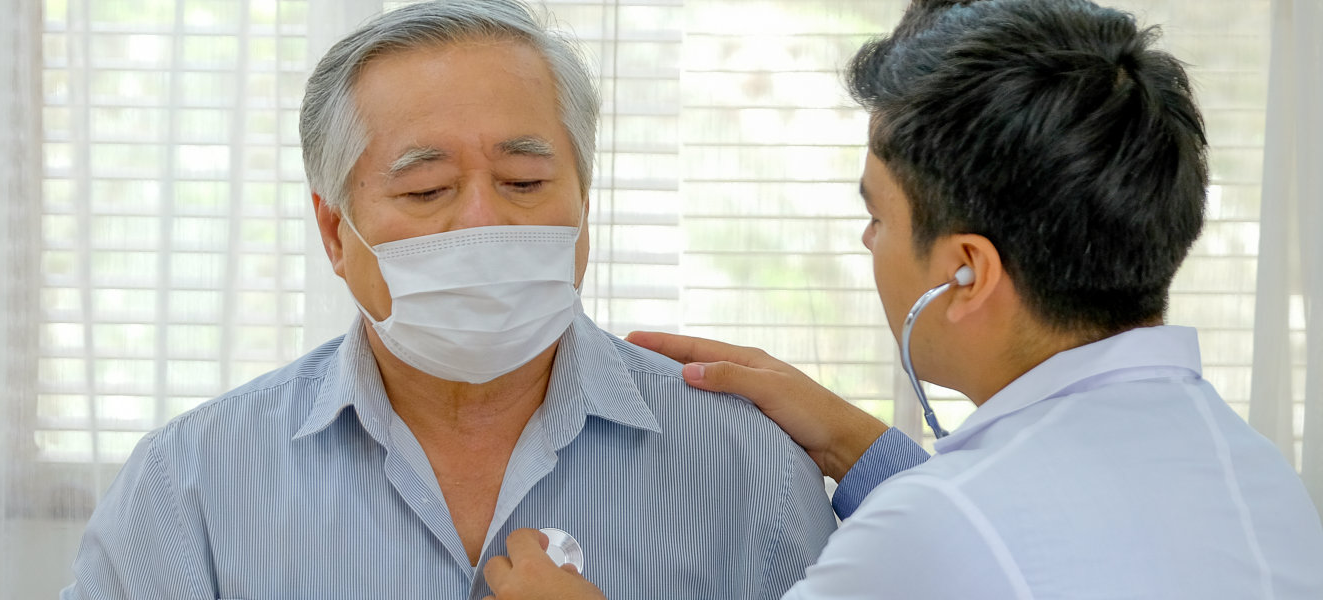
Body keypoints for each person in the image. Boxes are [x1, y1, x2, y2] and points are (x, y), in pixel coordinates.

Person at [483, 0, 1323, 598]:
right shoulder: (1256, 478)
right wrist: (859, 447)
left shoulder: (935, 532)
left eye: (876, 214)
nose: (867, 245)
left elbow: (969, 541)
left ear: (966, 272)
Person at [60, 1, 837, 598]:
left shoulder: (748, 467)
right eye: (427, 188)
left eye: (525, 183)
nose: (483, 223)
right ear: (335, 234)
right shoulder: (192, 482)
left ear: (585, 201)